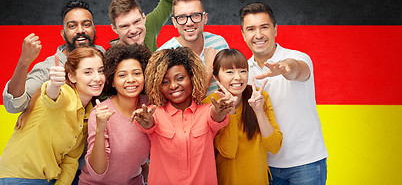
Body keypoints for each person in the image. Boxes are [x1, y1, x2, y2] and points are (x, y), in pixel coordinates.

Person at [239, 2, 328, 185]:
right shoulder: (243, 72)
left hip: (306, 163)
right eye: (251, 29)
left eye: (264, 27)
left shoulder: (299, 58)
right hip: (266, 165)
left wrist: (286, 68)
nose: (258, 35)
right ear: (243, 34)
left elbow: (298, 70)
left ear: (275, 29)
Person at [0, 47, 105, 185]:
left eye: (101, 71)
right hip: (18, 177)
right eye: (88, 72)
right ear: (72, 76)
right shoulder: (64, 93)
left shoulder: (88, 113)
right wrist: (54, 84)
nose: (97, 78)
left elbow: (71, 161)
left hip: (47, 180)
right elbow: (52, 97)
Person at [130, 47, 233, 185]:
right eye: (165, 82)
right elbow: (149, 123)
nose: (173, 85)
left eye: (180, 78)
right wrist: (146, 122)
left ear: (192, 78)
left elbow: (214, 117)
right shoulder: (154, 113)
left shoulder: (207, 111)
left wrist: (220, 112)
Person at [3, 0, 105, 114]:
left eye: (86, 25)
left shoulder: (100, 54)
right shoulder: (49, 68)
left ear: (94, 29)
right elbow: (13, 106)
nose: (80, 30)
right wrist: (24, 62)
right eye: (72, 26)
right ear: (63, 34)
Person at [202, 48, 283, 185]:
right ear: (216, 77)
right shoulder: (211, 103)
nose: (238, 77)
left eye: (242, 71)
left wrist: (258, 111)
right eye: (229, 72)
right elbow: (228, 151)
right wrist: (231, 112)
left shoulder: (259, 97)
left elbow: (275, 146)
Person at [78, 44, 152, 185]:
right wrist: (100, 129)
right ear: (112, 81)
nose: (131, 79)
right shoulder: (100, 113)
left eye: (136, 73)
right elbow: (98, 172)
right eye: (122, 75)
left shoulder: (150, 106)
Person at [158, 0, 229, 96]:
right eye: (181, 17)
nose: (189, 23)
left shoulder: (219, 42)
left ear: (205, 18)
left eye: (195, 15)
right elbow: (185, 101)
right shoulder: (163, 55)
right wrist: (210, 67)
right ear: (174, 22)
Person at [108, 0, 180, 52]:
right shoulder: (113, 58)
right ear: (114, 29)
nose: (133, 30)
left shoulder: (148, 26)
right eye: (124, 26)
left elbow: (174, 0)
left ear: (144, 18)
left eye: (137, 21)